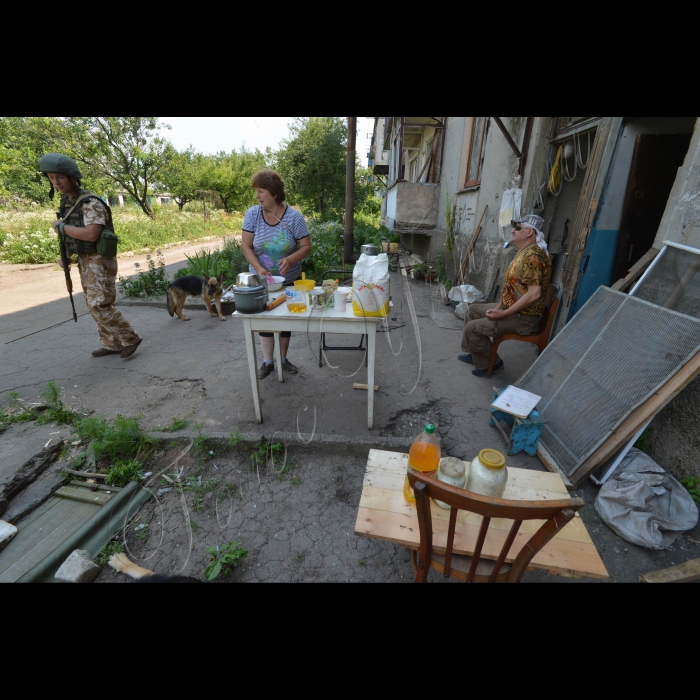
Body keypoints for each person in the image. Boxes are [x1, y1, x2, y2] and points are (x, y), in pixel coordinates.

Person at [39, 153, 143, 359]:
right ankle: (111, 343)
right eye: (51, 178)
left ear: (71, 177)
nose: (56, 182)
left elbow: (91, 233)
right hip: (84, 258)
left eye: (59, 177)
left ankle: (130, 338)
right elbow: (73, 234)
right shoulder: (68, 202)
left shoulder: (90, 202)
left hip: (99, 258)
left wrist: (62, 227)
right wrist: (67, 255)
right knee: (93, 303)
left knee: (99, 304)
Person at [459, 214, 552, 378]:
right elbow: (511, 288)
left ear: (530, 232)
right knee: (472, 310)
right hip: (513, 310)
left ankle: (494, 364)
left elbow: (534, 293)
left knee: (472, 328)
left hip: (523, 318)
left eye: (517, 227)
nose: (513, 230)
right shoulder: (523, 252)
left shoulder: (533, 256)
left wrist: (503, 314)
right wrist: (497, 308)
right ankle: (475, 353)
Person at [241, 170, 312, 379]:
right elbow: (246, 246)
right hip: (260, 279)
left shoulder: (293, 217)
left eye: (261, 191)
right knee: (263, 318)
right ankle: (268, 361)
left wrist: (290, 259)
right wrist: (259, 268)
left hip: (289, 279)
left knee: (285, 320)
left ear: (273, 193)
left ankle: (282, 359)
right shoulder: (253, 214)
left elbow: (306, 246)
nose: (257, 196)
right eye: (257, 192)